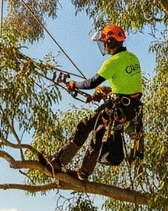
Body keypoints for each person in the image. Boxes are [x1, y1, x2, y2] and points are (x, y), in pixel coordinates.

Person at [42, 24, 143, 180]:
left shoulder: (113, 62)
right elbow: (128, 85)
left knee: (86, 126)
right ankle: (83, 173)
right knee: (98, 131)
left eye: (105, 42)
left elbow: (91, 83)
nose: (104, 46)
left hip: (118, 108)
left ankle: (59, 162)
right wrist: (108, 91)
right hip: (131, 108)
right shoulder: (132, 58)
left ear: (111, 42)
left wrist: (74, 84)